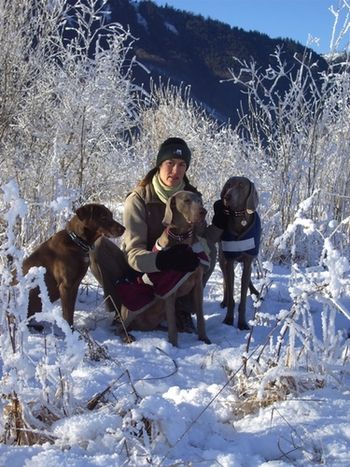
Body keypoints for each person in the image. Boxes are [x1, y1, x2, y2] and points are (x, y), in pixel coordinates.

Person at [90, 137, 218, 334]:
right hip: (142, 271)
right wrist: (163, 260)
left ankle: (181, 310)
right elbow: (133, 254)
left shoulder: (192, 196)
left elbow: (201, 237)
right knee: (98, 247)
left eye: (182, 165)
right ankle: (122, 308)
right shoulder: (140, 198)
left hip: (178, 271)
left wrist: (220, 224)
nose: (175, 171)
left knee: (209, 248)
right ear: (159, 164)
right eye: (170, 163)